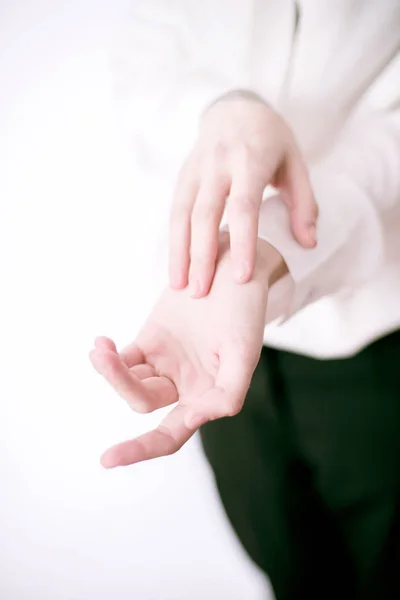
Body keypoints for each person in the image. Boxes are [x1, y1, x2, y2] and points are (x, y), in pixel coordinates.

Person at [90, 1, 400, 598]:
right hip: (204, 355)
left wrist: (262, 246)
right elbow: (142, 57)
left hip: (378, 350)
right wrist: (225, 115)